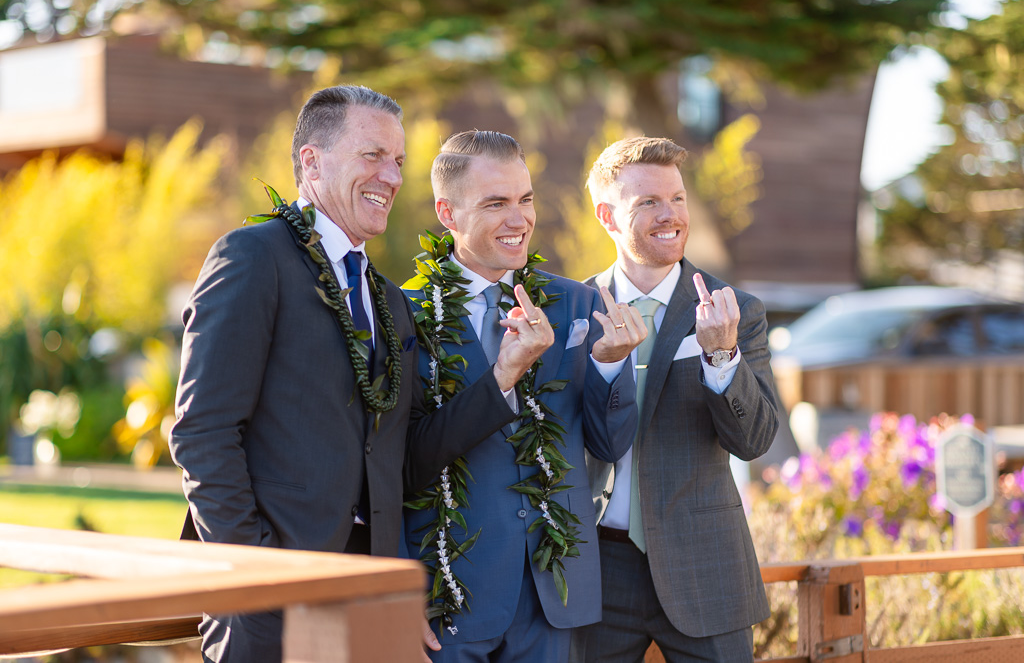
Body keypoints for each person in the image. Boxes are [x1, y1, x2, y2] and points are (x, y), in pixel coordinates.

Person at [169, 87, 548, 663]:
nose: (391, 177)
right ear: (311, 163)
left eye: (397, 161)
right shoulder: (252, 257)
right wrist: (253, 569)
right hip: (270, 587)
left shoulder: (388, 300)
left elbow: (404, 459)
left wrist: (503, 376)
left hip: (368, 593)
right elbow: (202, 432)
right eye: (372, 155)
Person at [402, 130, 644, 662]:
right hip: (448, 594)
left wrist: (610, 366)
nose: (519, 220)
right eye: (496, 204)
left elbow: (609, 444)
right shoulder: (403, 314)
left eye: (525, 199)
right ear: (448, 212)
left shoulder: (578, 303)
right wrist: (397, 594)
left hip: (552, 592)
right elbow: (397, 463)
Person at [575, 136, 779, 662]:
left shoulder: (737, 310)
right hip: (599, 570)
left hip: (705, 565)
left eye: (678, 198)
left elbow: (754, 441)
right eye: (647, 202)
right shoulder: (571, 311)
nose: (670, 215)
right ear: (607, 216)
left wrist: (721, 358)